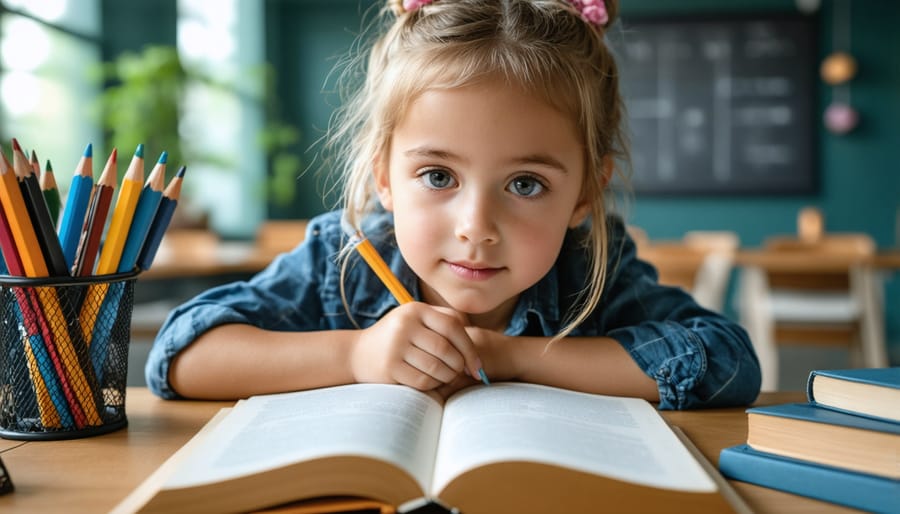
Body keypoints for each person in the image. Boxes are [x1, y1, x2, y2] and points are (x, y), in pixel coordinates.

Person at [146, 0, 761, 409]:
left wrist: (514, 357)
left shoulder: (587, 268)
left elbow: (729, 362)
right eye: (438, 176)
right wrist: (358, 354)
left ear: (585, 193)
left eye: (526, 184)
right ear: (385, 174)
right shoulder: (347, 254)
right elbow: (181, 355)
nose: (476, 229)